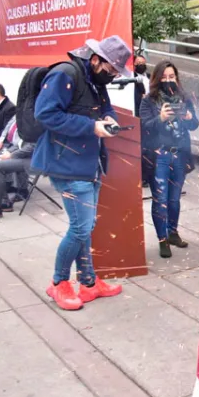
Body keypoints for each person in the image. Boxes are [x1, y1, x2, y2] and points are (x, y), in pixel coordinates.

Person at [31, 35, 132, 311]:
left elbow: (105, 108)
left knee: (87, 228)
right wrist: (91, 127)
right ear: (96, 59)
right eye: (110, 70)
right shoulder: (65, 74)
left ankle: (88, 282)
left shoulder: (94, 80)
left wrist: (109, 119)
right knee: (80, 228)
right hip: (67, 165)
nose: (111, 76)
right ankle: (58, 283)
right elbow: (46, 114)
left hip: (90, 163)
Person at [139, 61, 199, 259]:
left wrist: (189, 116)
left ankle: (173, 232)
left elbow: (194, 124)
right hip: (160, 156)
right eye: (164, 77)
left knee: (174, 198)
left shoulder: (184, 98)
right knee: (161, 199)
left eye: (171, 76)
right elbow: (144, 126)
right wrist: (161, 118)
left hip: (180, 154)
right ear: (157, 79)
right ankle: (162, 239)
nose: (168, 80)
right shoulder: (148, 100)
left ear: (177, 78)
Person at [133, 53, 150, 118]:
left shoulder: (149, 76)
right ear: (134, 64)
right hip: (140, 108)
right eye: (139, 63)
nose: (141, 65)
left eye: (143, 63)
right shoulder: (133, 77)